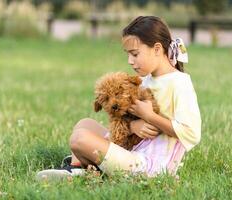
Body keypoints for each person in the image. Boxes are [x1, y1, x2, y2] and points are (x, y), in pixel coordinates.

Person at [36, 16, 201, 180]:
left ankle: (84, 169)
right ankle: (78, 168)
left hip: (149, 166)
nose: (130, 61)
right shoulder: (146, 80)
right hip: (131, 151)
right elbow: (127, 119)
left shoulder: (179, 83)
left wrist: (150, 116)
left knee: (79, 139)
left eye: (135, 54)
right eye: (128, 54)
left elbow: (191, 133)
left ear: (157, 49)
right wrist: (132, 127)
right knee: (84, 124)